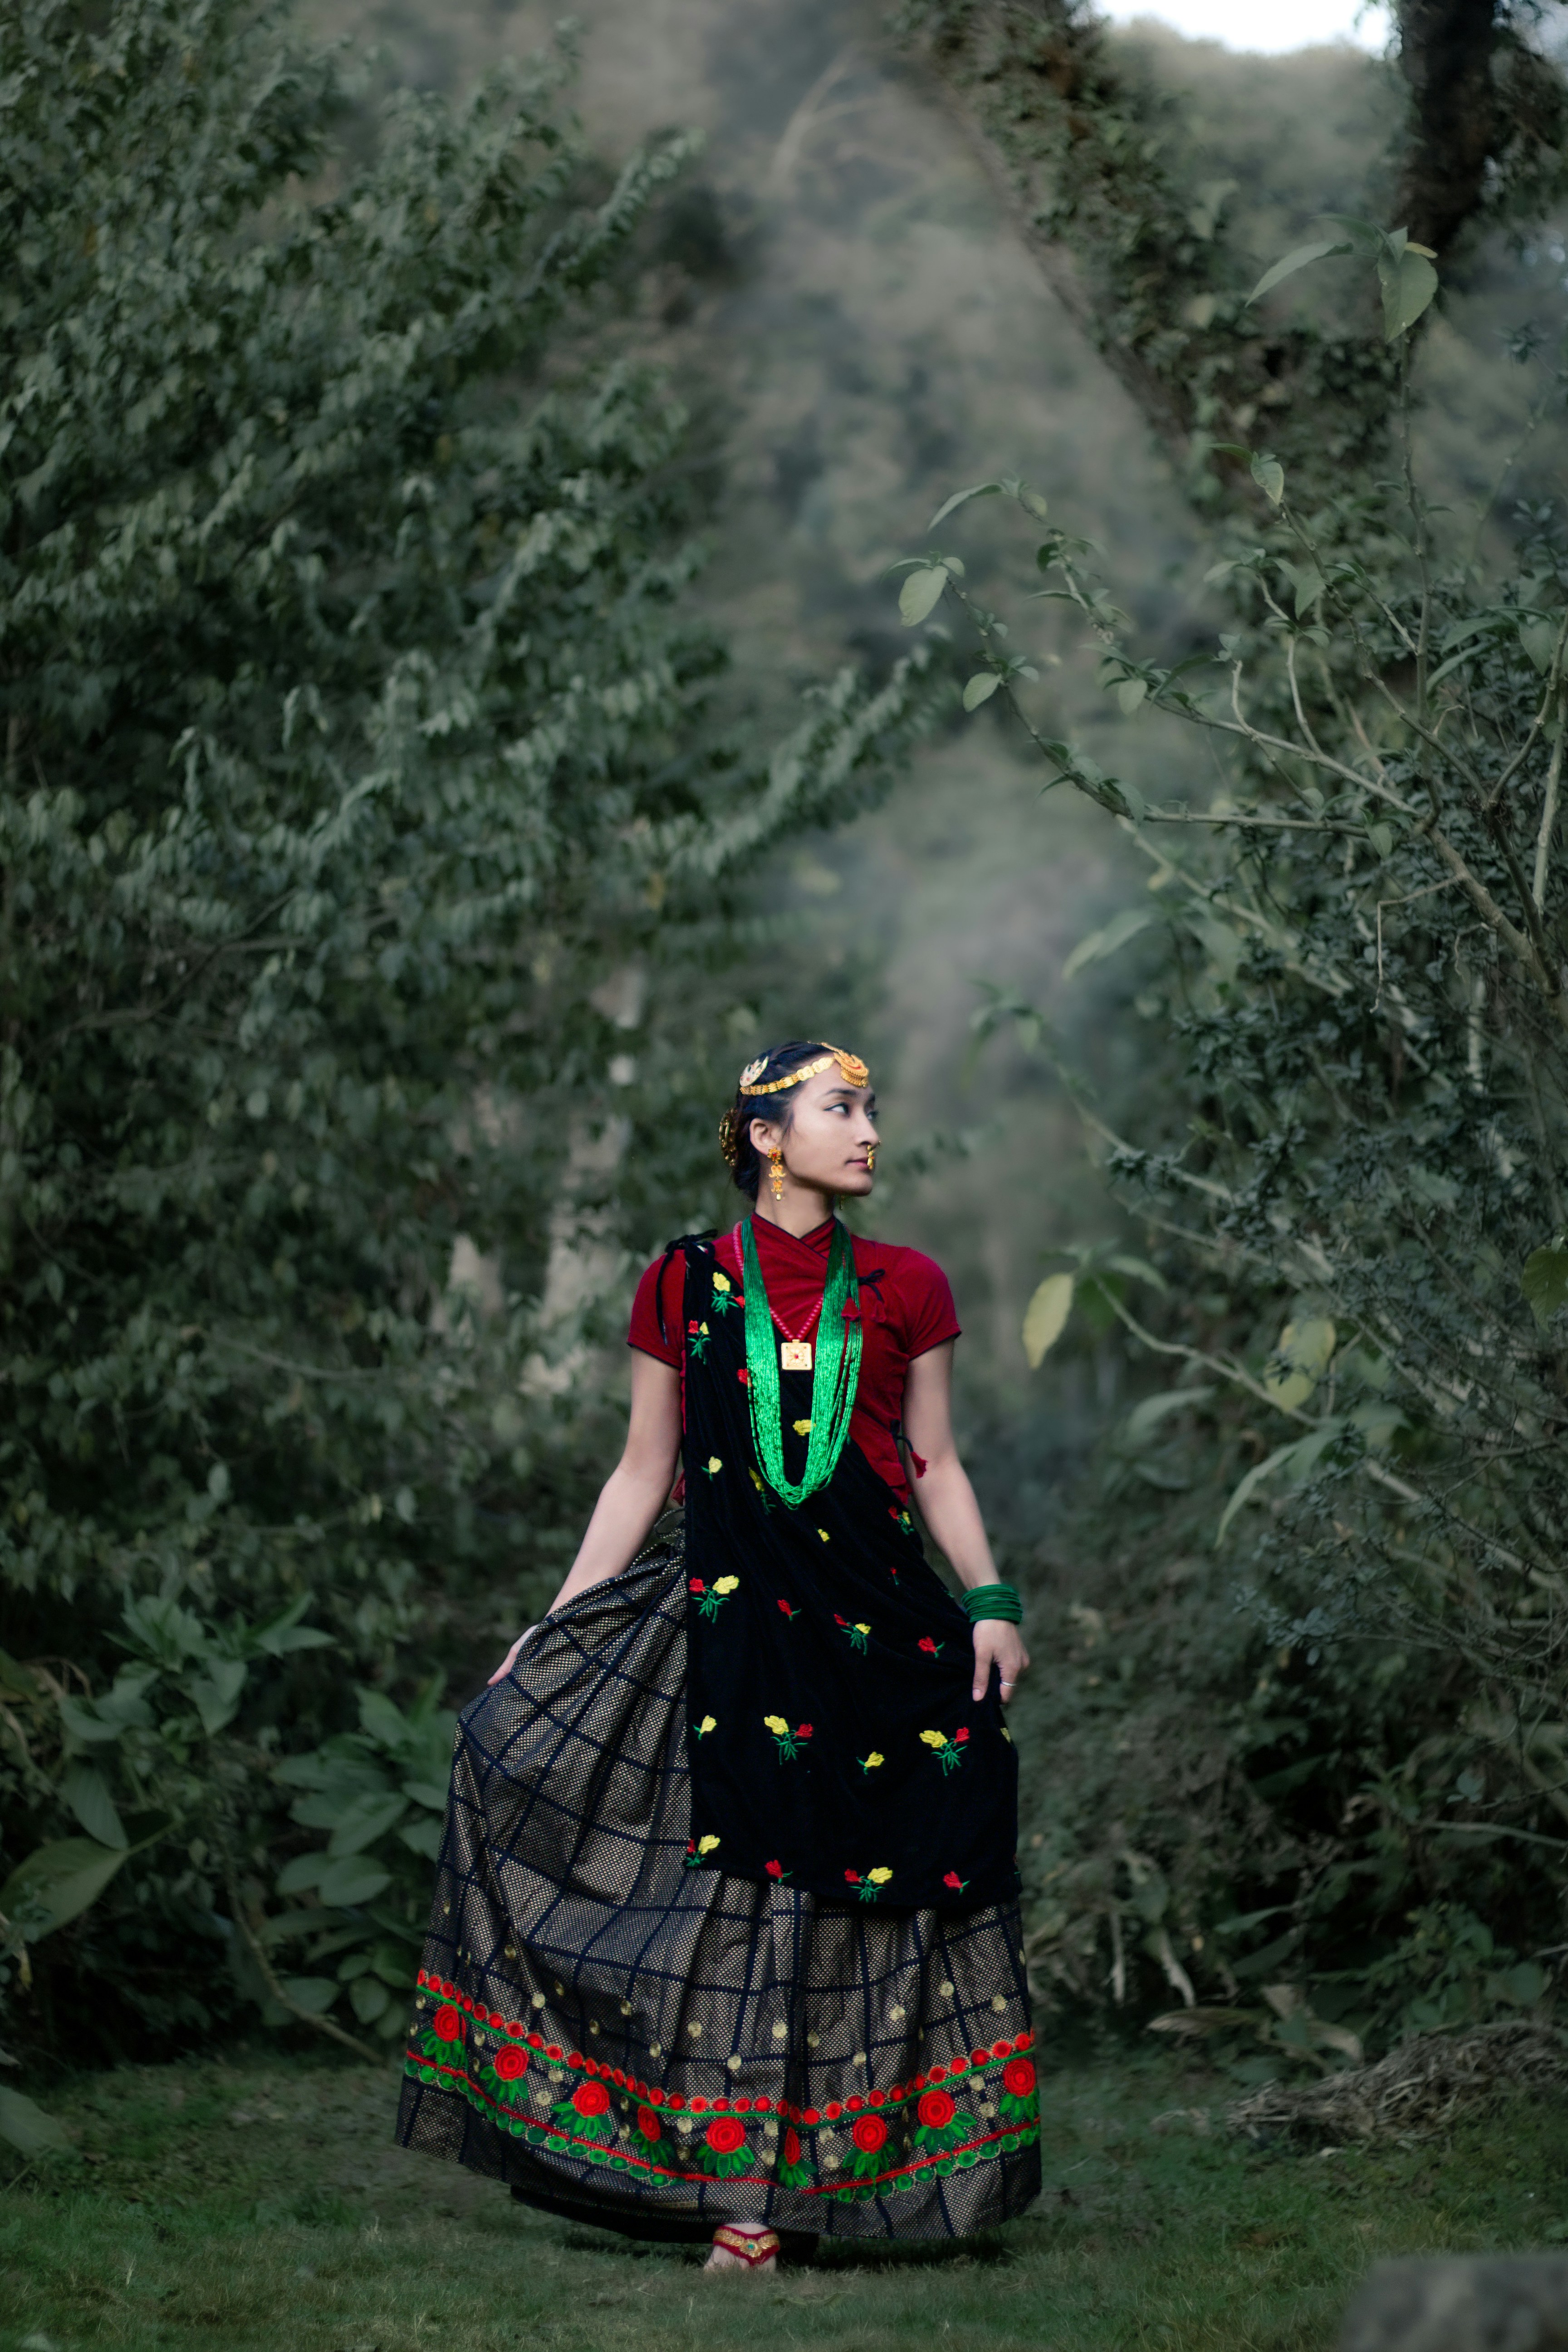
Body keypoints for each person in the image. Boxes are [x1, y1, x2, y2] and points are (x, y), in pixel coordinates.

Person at [396, 1040, 1039, 2270]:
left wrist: (992, 1600)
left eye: (870, 1110)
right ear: (764, 1135)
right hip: (727, 1620)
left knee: (875, 1884)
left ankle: (852, 2187)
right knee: (735, 1889)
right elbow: (643, 1470)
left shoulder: (909, 1283)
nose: (870, 1133)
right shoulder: (684, 1283)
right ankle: (742, 2207)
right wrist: (555, 1621)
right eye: (841, 1110)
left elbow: (936, 1461)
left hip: (878, 1625)